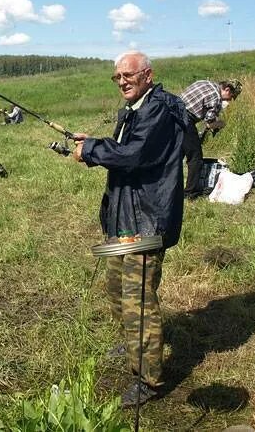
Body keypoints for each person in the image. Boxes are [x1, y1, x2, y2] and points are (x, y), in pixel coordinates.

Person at [72, 51, 187, 408]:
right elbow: (124, 149)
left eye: (128, 75)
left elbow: (132, 156)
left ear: (148, 75)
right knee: (117, 289)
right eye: (117, 77)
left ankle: (148, 380)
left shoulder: (159, 110)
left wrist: (89, 149)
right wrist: (93, 142)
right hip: (123, 220)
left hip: (147, 223)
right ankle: (131, 342)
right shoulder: (136, 108)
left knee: (139, 302)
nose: (122, 81)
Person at [179, 79, 242, 199]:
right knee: (195, 158)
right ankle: (189, 193)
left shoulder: (205, 83)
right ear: (227, 89)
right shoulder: (217, 98)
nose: (228, 101)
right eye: (230, 97)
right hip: (185, 120)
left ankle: (170, 187)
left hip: (172, 116)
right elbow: (210, 122)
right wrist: (221, 124)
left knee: (177, 155)